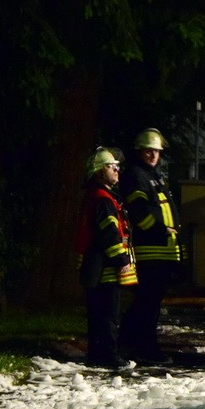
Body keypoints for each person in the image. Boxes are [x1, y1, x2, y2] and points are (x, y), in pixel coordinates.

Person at [119, 128, 181, 365]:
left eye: (157, 151)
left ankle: (133, 344)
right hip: (150, 250)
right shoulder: (136, 175)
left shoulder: (152, 174)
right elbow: (139, 212)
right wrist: (159, 229)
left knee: (150, 303)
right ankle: (144, 347)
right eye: (149, 151)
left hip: (162, 250)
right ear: (140, 152)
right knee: (147, 303)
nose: (154, 155)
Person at [76, 148, 137, 370]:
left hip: (97, 267)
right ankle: (109, 357)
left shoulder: (97, 196)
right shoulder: (103, 199)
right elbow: (109, 234)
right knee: (108, 314)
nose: (117, 170)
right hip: (105, 268)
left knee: (98, 314)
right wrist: (122, 261)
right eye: (112, 167)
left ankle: (97, 355)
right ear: (101, 172)